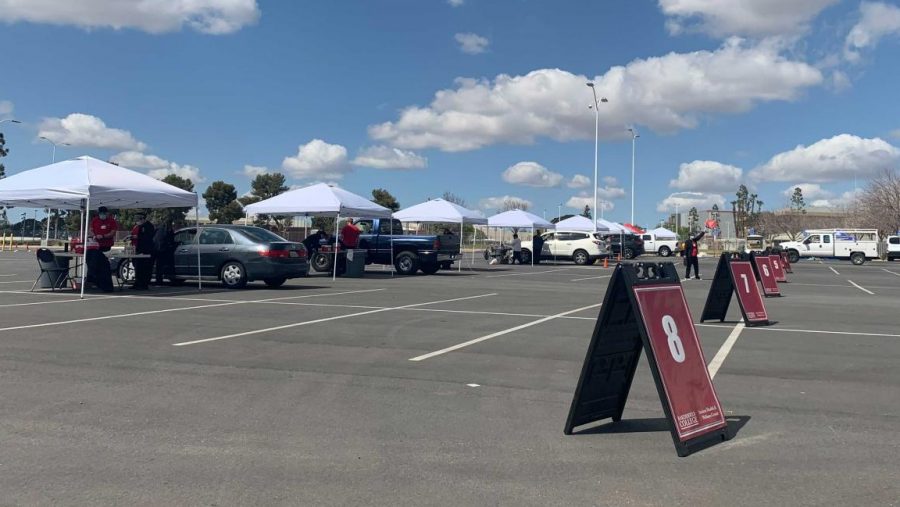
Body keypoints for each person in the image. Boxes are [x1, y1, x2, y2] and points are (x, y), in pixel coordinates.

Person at [131, 213, 156, 290]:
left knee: (145, 268)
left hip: (147, 250)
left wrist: (137, 237)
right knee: (138, 268)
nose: (137, 221)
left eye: (139, 219)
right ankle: (137, 283)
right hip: (139, 250)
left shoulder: (149, 226)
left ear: (143, 219)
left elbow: (147, 237)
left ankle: (144, 284)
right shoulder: (139, 226)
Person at [153, 220, 176, 284]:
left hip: (155, 248)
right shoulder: (167, 230)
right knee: (160, 266)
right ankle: (159, 280)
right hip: (162, 250)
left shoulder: (159, 229)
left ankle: (158, 280)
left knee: (158, 266)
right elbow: (171, 239)